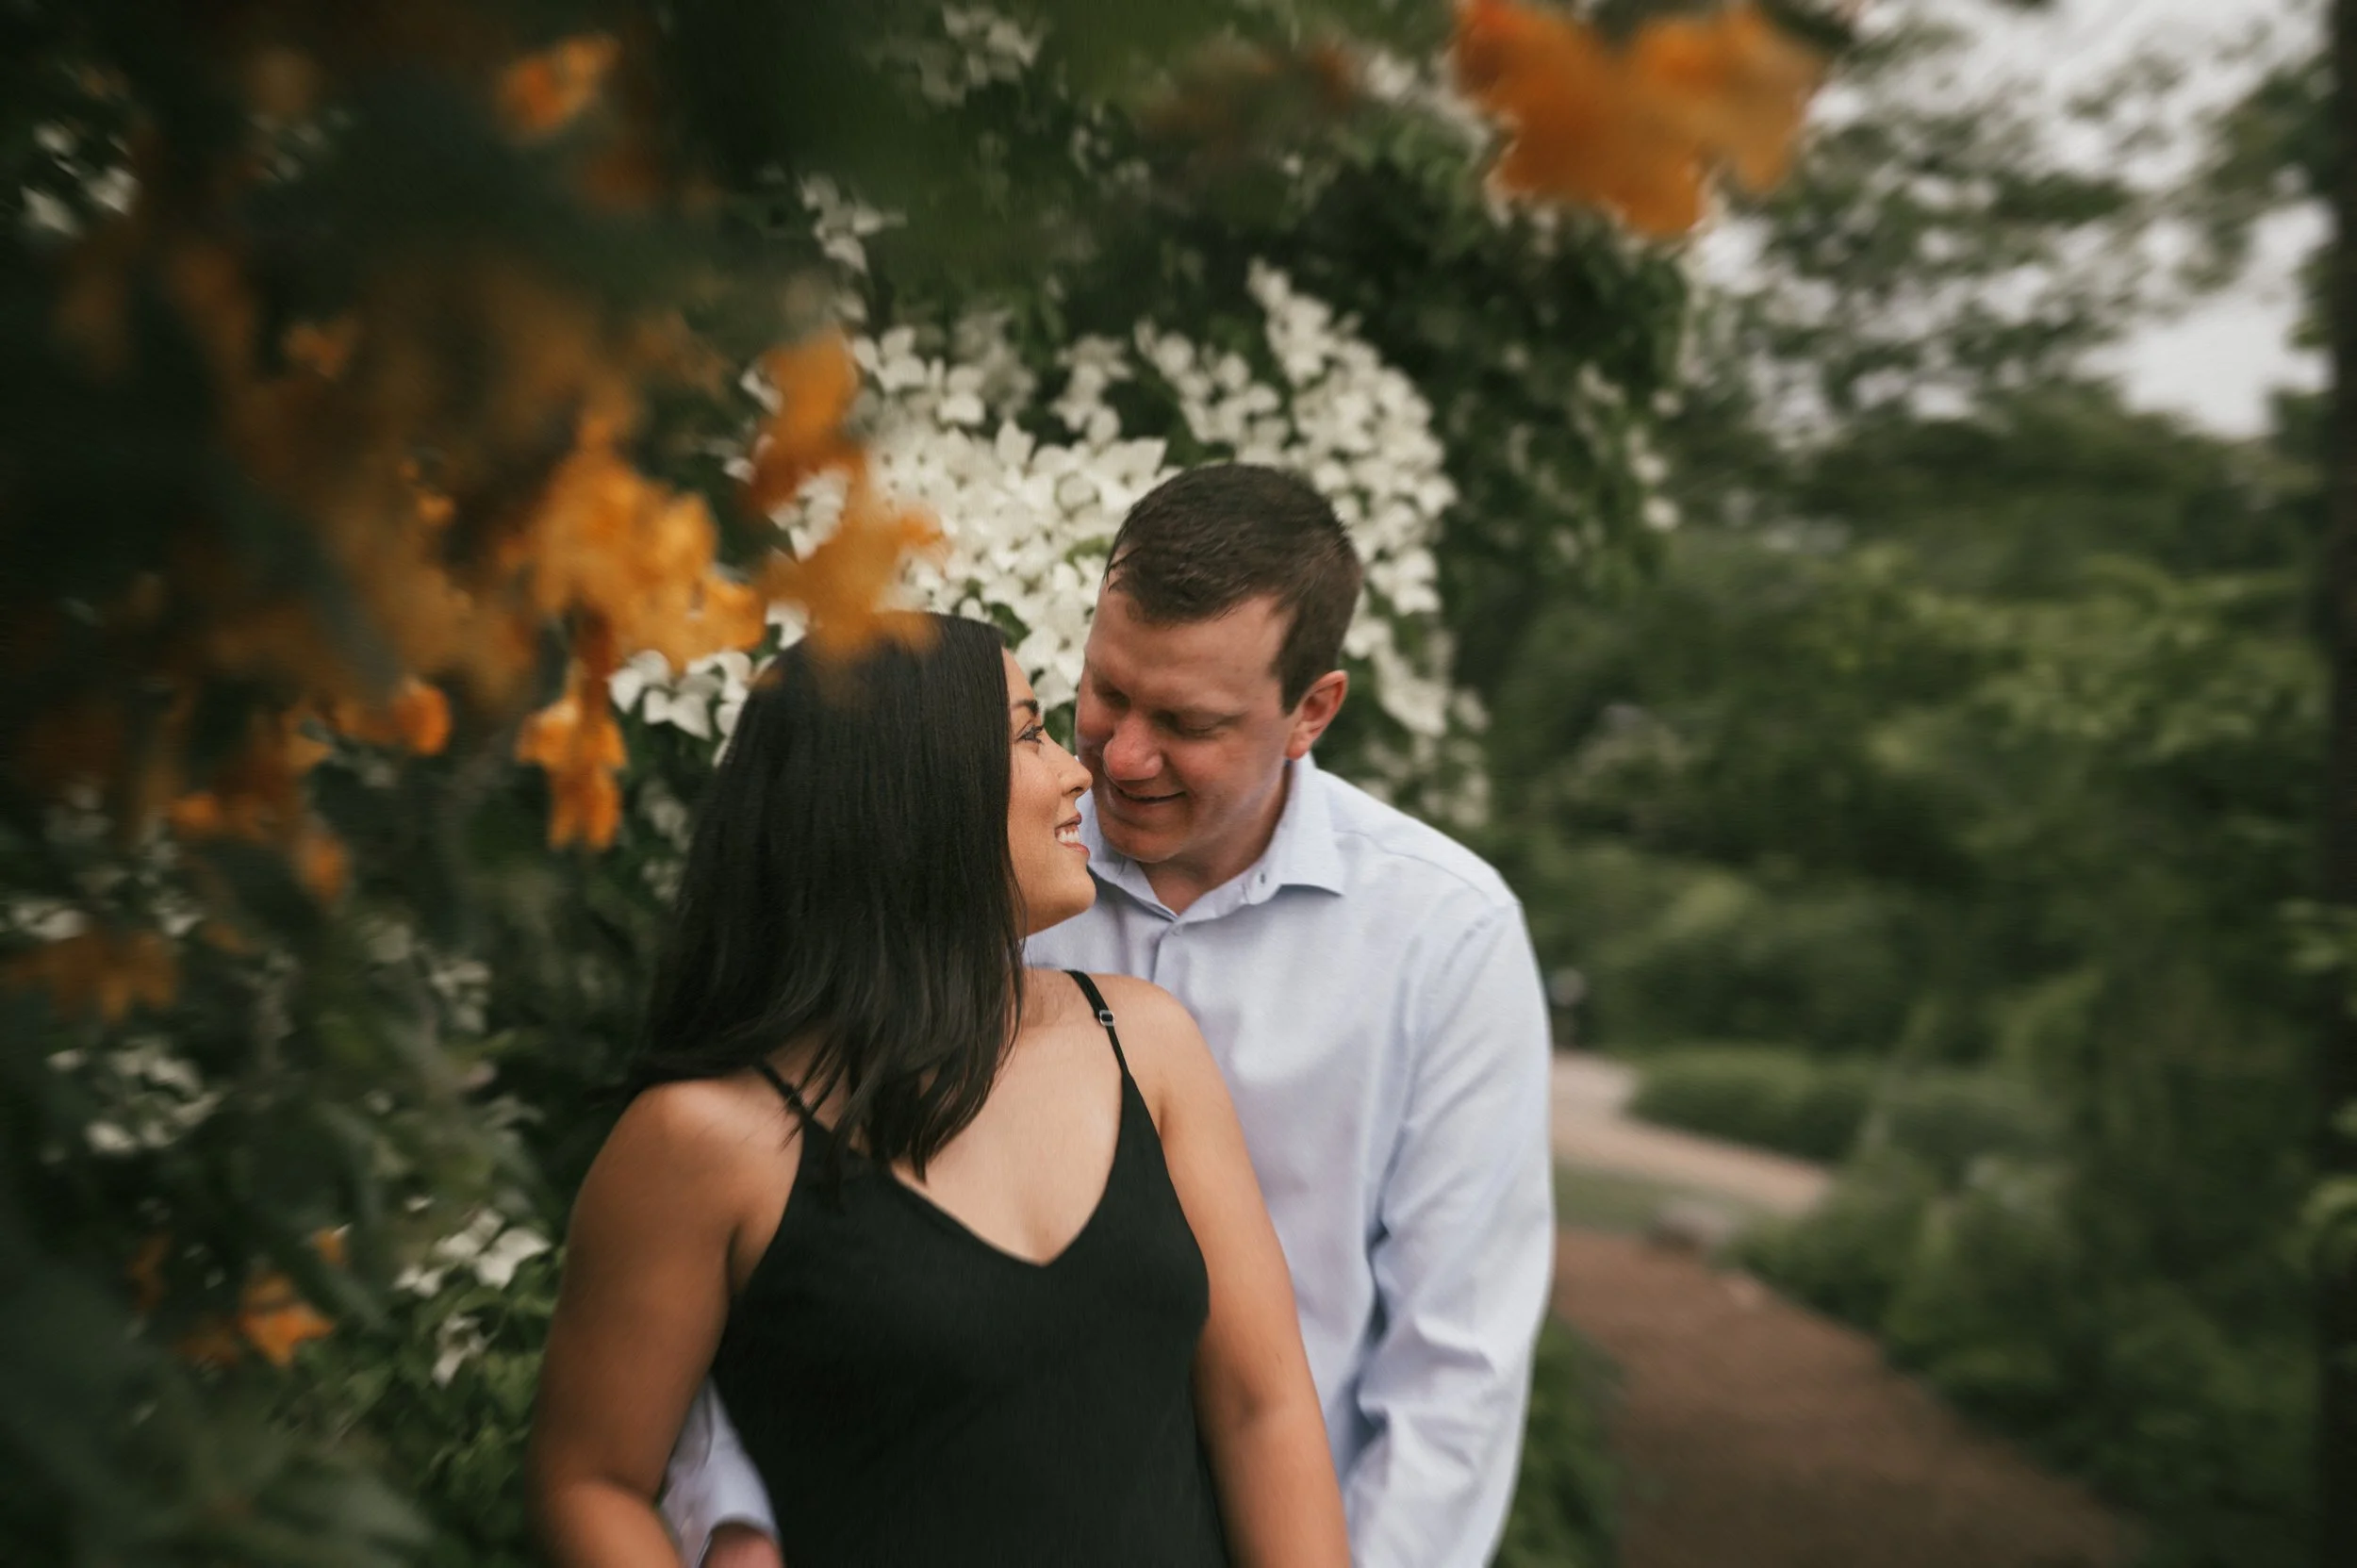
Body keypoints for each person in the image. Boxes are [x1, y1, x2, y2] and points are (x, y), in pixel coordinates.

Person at [670, 464, 1558, 1568]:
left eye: (1187, 722)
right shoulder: (975, 865)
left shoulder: (1445, 940)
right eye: (1106, 693)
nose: (1123, 756)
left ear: (1310, 712)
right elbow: (760, 1214)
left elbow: (1453, 1375)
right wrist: (742, 1514)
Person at [530, 614, 1351, 1567]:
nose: (1077, 770)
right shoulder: (703, 1143)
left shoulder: (1143, 1042)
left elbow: (1263, 1409)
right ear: (907, 791)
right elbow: (587, 1479)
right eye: (1026, 732)